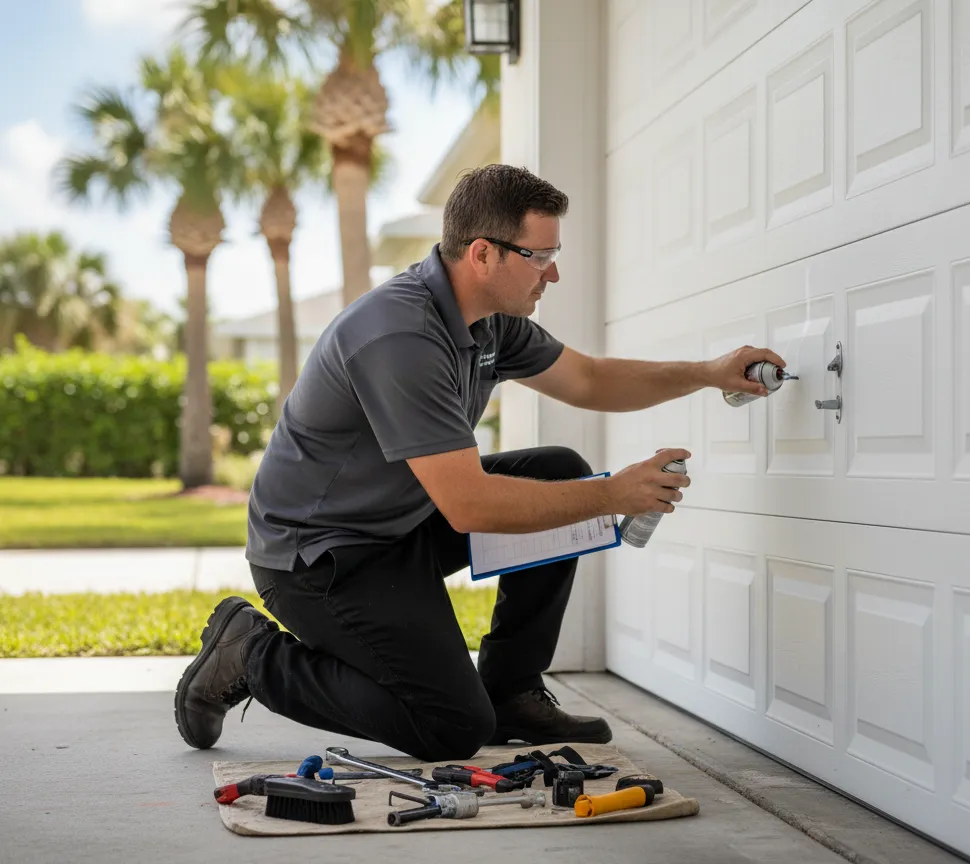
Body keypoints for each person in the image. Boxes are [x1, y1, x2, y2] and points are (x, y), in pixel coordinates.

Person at [173, 164, 786, 760]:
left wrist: (708, 373)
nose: (554, 273)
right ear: (483, 254)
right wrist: (612, 495)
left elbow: (592, 380)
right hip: (320, 557)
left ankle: (512, 690)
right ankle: (250, 654)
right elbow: (469, 506)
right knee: (451, 724)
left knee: (558, 469)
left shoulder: (491, 320)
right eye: (540, 257)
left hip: (402, 522)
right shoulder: (399, 336)